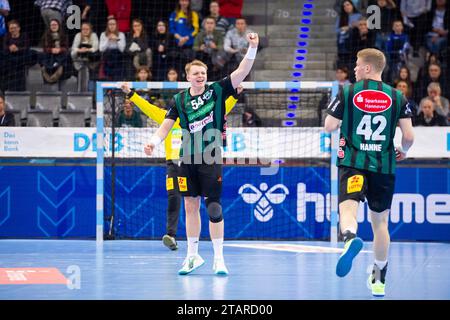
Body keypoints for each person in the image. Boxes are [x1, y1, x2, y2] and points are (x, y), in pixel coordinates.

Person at [144, 32, 259, 275]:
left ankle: (219, 258)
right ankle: (192, 256)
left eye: (203, 72)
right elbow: (166, 124)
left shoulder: (216, 91)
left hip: (210, 155)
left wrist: (252, 47)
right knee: (189, 205)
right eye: (196, 73)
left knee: (214, 207)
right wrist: (153, 141)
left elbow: (242, 71)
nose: (200, 75)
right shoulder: (179, 99)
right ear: (187, 77)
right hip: (187, 158)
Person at [324, 48, 414, 297]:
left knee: (348, 207)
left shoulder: (348, 91)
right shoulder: (398, 97)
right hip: (383, 166)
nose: (353, 68)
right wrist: (403, 151)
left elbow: (329, 126)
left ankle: (350, 237)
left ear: (366, 68)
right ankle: (379, 277)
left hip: (353, 162)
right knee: (381, 223)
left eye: (356, 64)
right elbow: (408, 136)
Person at [120, 83, 242, 251]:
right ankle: (171, 235)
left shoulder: (200, 115)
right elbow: (147, 107)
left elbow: (223, 107)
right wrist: (131, 94)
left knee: (204, 202)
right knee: (174, 197)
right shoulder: (166, 116)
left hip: (197, 160)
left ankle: (208, 244)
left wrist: (235, 95)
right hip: (174, 164)